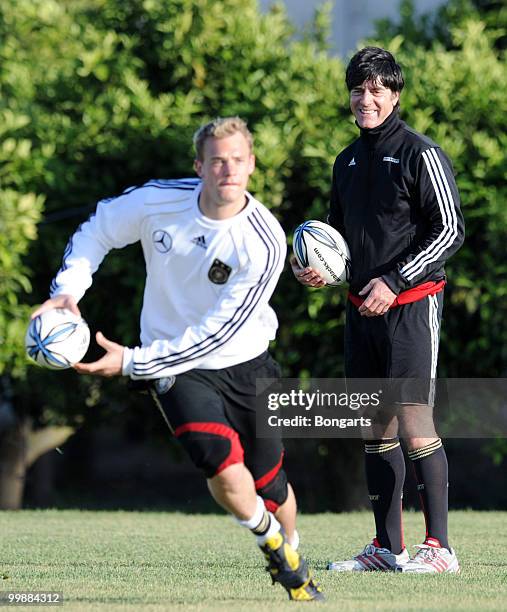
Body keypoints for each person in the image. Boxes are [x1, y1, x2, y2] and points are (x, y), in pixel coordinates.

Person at [32, 117, 323, 600]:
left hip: (245, 362)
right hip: (178, 368)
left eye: (236, 160)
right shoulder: (158, 200)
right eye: (216, 160)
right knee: (222, 466)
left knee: (271, 484)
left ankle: (291, 544)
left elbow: (216, 334)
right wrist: (67, 291)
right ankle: (271, 541)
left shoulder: (264, 240)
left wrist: (130, 362)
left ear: (251, 165)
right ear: (199, 166)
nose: (227, 170)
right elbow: (98, 230)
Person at [291, 47, 464, 573]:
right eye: (358, 90)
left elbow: (450, 230)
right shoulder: (345, 160)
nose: (366, 99)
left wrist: (395, 279)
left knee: (414, 423)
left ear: (394, 95)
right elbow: (337, 236)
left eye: (377, 91)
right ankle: (387, 550)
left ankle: (440, 550)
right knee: (375, 427)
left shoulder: (420, 153)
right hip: (359, 311)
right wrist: (318, 268)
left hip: (411, 307)